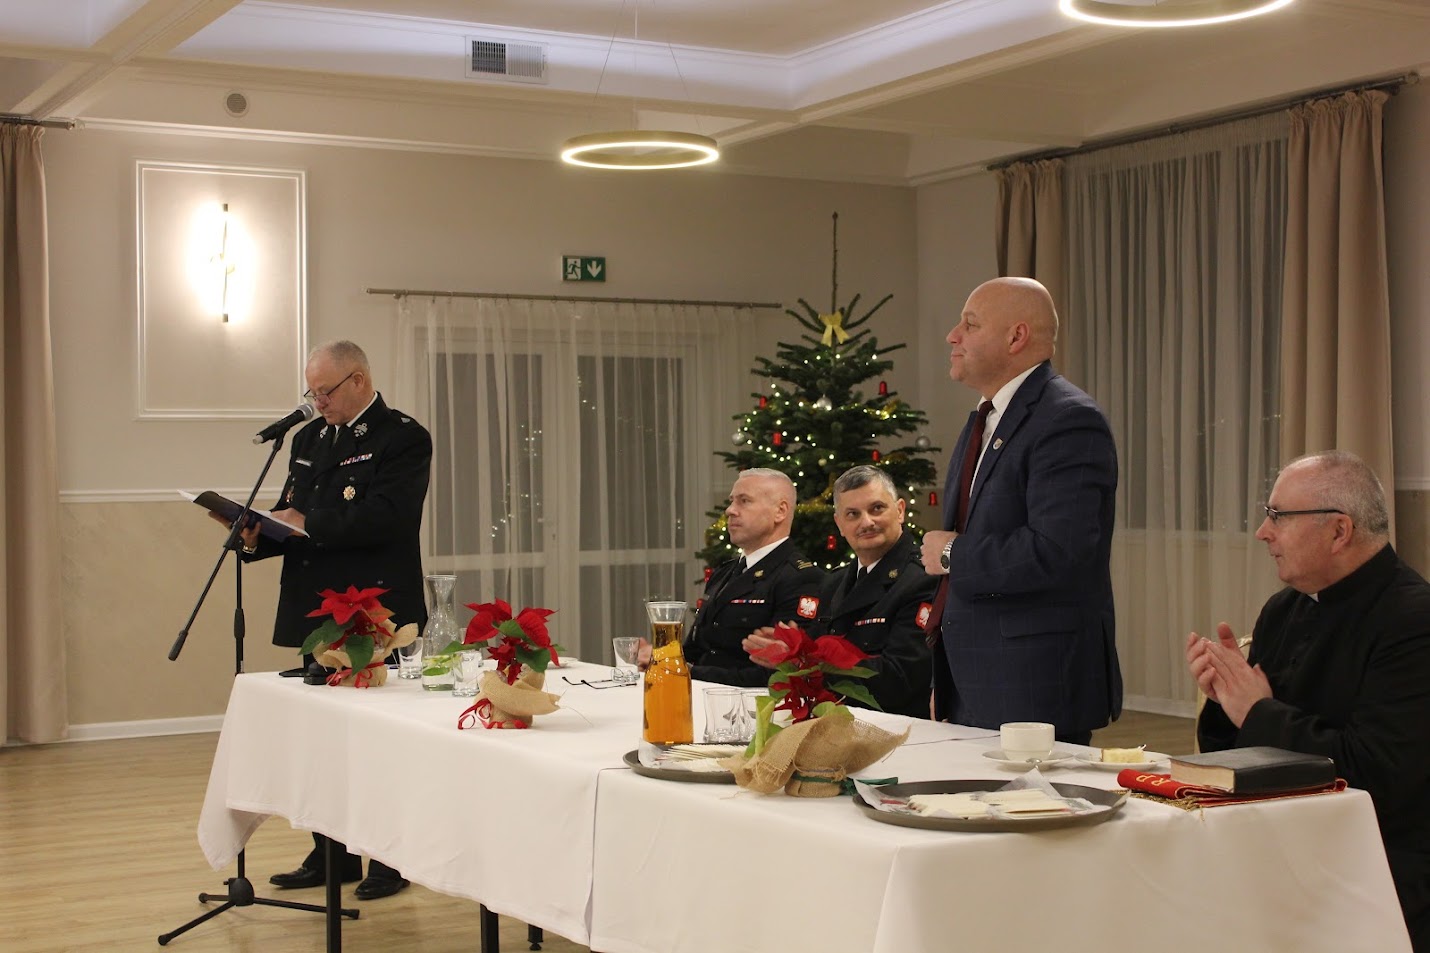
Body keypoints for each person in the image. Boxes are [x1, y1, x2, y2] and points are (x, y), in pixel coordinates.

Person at [1188, 451, 1430, 950]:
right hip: (1283, 847)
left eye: (1278, 516)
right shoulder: (1283, 610)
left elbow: (1376, 773)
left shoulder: (1413, 621)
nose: (1263, 533)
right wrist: (1226, 698)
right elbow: (1234, 758)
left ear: (1339, 531)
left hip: (1380, 869)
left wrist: (1256, 711)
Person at [233, 340, 431, 901]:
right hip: (317, 609)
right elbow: (293, 517)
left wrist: (304, 520)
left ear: (359, 381)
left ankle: (390, 858)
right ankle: (330, 853)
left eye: (325, 391)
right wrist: (257, 535)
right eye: (311, 391)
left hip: (374, 612)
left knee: (380, 740)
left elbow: (389, 518)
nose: (316, 402)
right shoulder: (307, 438)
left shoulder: (402, 436)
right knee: (320, 738)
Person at [919, 276, 1121, 744]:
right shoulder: (986, 417)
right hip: (976, 680)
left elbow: (1059, 551)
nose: (953, 336)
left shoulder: (1069, 419)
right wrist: (946, 681)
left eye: (970, 324)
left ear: (1016, 337)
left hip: (1034, 683)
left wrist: (951, 554)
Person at [744, 465, 936, 717]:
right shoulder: (833, 584)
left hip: (897, 729)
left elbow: (901, 678)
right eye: (853, 514)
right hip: (835, 722)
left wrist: (802, 662)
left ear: (900, 510)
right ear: (839, 524)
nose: (866, 522)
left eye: (877, 508)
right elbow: (816, 653)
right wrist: (792, 650)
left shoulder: (922, 579)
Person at [683, 468, 824, 687]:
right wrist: (662, 659)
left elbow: (777, 675)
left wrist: (690, 673)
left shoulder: (801, 578)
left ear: (780, 511)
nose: (730, 510)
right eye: (731, 501)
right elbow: (698, 647)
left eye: (744, 501)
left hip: (750, 702)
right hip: (700, 693)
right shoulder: (724, 572)